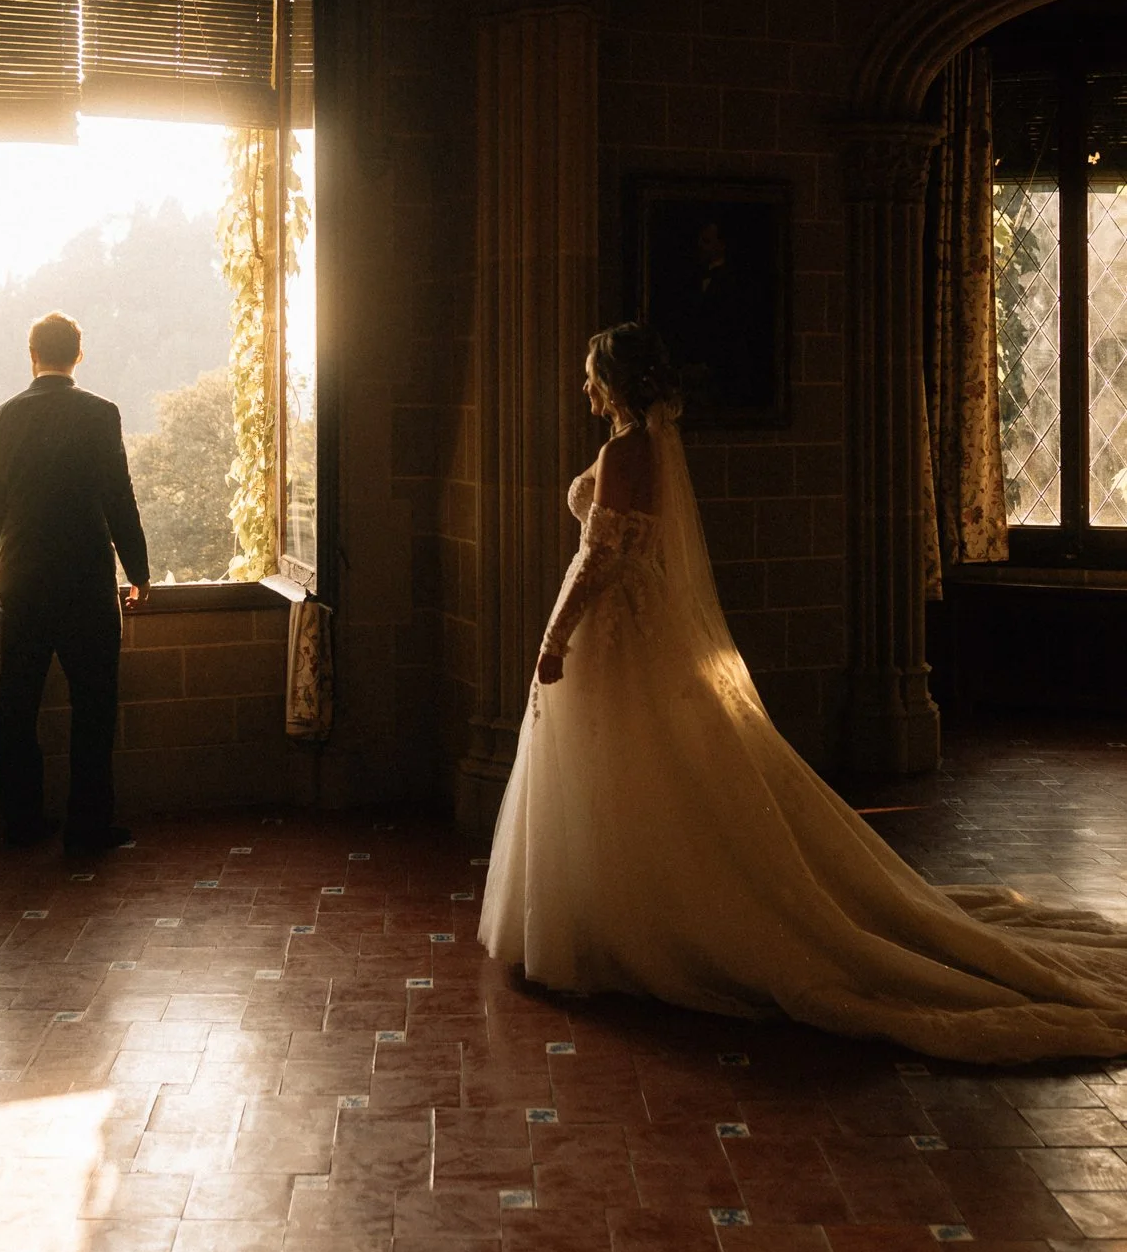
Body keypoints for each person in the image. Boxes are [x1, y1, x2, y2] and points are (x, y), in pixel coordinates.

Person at [479, 320, 1127, 1063]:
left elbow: (601, 555)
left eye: (591, 373)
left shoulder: (626, 451)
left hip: (614, 630)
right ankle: (613, 917)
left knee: (619, 772)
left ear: (617, 382)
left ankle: (634, 929)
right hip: (637, 624)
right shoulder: (651, 446)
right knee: (631, 773)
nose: (584, 386)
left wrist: (553, 639)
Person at [0, 311, 150, 856]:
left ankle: (23, 822)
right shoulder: (100, 415)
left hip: (23, 578)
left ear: (31, 355)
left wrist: (10, 557)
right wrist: (138, 572)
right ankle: (87, 827)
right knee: (94, 704)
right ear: (79, 356)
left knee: (17, 706)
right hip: (84, 579)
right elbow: (118, 499)